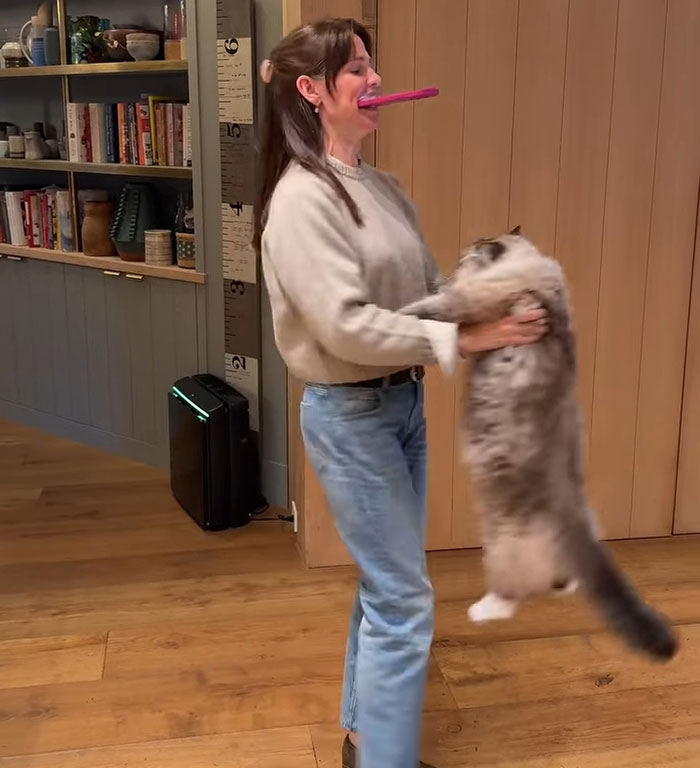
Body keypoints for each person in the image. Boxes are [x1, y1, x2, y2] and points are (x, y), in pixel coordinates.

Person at [254, 18, 547, 768]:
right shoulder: (299, 201)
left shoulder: (382, 187)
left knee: (390, 585)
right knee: (405, 602)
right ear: (312, 91)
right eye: (355, 69)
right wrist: (464, 340)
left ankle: (362, 733)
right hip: (350, 418)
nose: (375, 78)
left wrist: (481, 303)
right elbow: (346, 328)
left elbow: (422, 296)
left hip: (401, 408)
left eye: (371, 63)